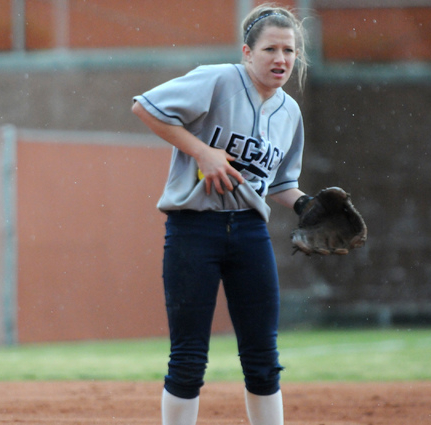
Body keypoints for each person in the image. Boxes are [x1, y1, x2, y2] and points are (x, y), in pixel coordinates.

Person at [131, 4, 309, 425]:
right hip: (194, 229)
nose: (280, 58)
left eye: (288, 50)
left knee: (263, 358)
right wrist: (203, 152)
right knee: (189, 357)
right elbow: (146, 107)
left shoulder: (290, 113)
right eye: (269, 49)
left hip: (250, 233)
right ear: (247, 52)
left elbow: (279, 184)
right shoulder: (219, 79)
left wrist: (306, 205)